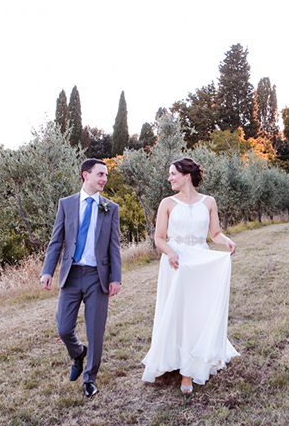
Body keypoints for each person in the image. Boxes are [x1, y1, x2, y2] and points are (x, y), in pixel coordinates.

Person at [141, 158, 239, 394]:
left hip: (199, 262)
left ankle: (189, 370)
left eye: (173, 173)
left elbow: (214, 233)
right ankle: (174, 359)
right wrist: (170, 252)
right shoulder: (167, 203)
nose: (169, 178)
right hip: (175, 263)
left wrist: (226, 241)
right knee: (177, 311)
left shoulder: (209, 202)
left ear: (186, 175)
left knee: (197, 312)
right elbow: (159, 238)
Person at [41, 158, 122, 398]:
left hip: (98, 277)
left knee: (96, 330)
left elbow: (114, 246)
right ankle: (78, 353)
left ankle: (90, 379)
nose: (104, 179)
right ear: (85, 175)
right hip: (72, 275)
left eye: (106, 175)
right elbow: (56, 241)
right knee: (64, 328)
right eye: (100, 174)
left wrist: (115, 278)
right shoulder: (66, 204)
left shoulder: (111, 207)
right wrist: (47, 270)